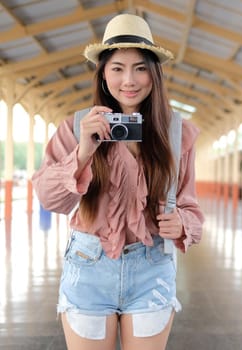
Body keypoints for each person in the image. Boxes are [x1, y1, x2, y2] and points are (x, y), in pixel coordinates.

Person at [32, 13, 204, 350]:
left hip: (151, 268)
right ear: (103, 74)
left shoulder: (178, 132)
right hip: (89, 266)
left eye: (140, 68)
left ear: (155, 73)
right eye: (117, 68)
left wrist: (181, 222)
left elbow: (189, 203)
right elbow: (49, 199)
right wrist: (82, 153)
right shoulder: (76, 127)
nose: (129, 80)